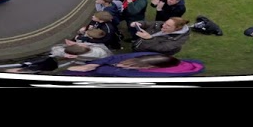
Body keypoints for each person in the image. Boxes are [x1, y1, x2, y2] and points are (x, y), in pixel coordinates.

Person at [61, 52, 205, 77]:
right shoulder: (146, 56)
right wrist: (97, 63)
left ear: (148, 68)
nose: (123, 65)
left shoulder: (143, 75)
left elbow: (116, 72)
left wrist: (93, 67)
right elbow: (121, 57)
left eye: (130, 65)